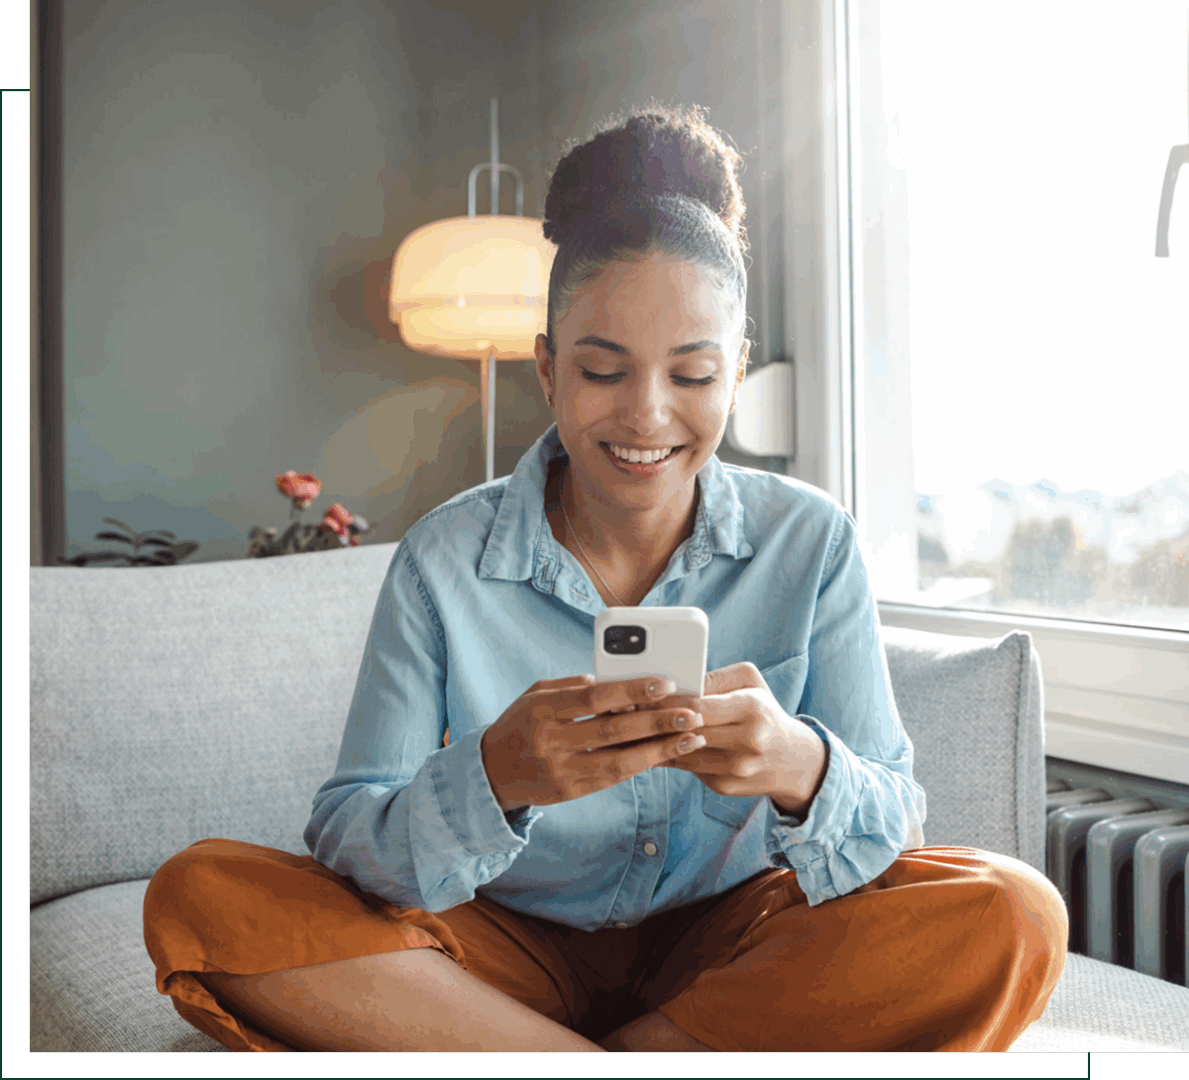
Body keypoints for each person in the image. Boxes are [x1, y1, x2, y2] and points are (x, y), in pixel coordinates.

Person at [143, 103, 1068, 1053]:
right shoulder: (442, 559)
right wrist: (496, 775)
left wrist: (798, 765)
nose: (647, 416)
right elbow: (349, 834)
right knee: (202, 895)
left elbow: (892, 825)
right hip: (500, 951)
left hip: (732, 951)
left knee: (1014, 913)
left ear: (735, 374)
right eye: (602, 370)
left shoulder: (812, 541)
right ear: (547, 370)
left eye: (692, 375)